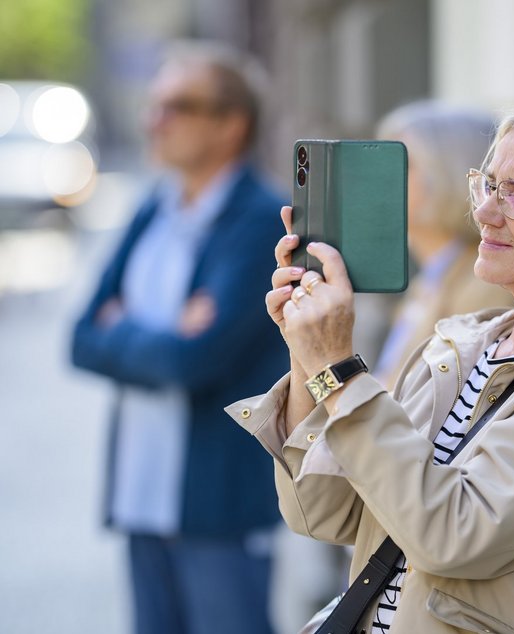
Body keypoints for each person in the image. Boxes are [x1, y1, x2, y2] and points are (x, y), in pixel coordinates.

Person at [229, 87, 514, 633]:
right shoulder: (460, 346)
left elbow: (452, 533)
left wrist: (339, 366)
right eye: (488, 185)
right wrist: (307, 354)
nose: (487, 213)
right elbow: (327, 509)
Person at [71, 41, 285, 634]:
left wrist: (128, 329)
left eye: (178, 106)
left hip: (217, 505)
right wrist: (162, 335)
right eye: (154, 103)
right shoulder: (154, 209)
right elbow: (80, 337)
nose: (153, 120)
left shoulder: (261, 219)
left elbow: (198, 360)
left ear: (230, 124)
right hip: (141, 494)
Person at [372, 100, 514, 388]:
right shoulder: (426, 283)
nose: (379, 175)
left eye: (402, 162)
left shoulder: (486, 289)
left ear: (450, 173)